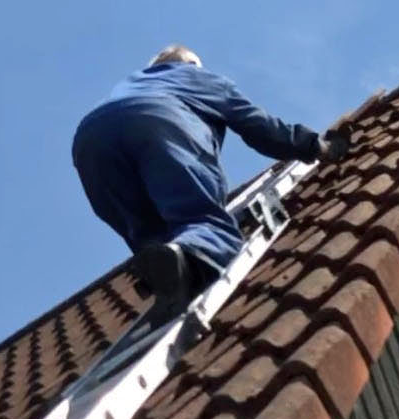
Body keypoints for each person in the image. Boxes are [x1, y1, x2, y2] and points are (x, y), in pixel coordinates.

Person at [72, 44, 349, 324]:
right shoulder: (199, 78)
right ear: (191, 64)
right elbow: (260, 127)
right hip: (158, 120)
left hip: (90, 142)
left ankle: (170, 277)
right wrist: (315, 146)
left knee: (151, 236)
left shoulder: (133, 81)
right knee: (204, 222)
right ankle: (188, 255)